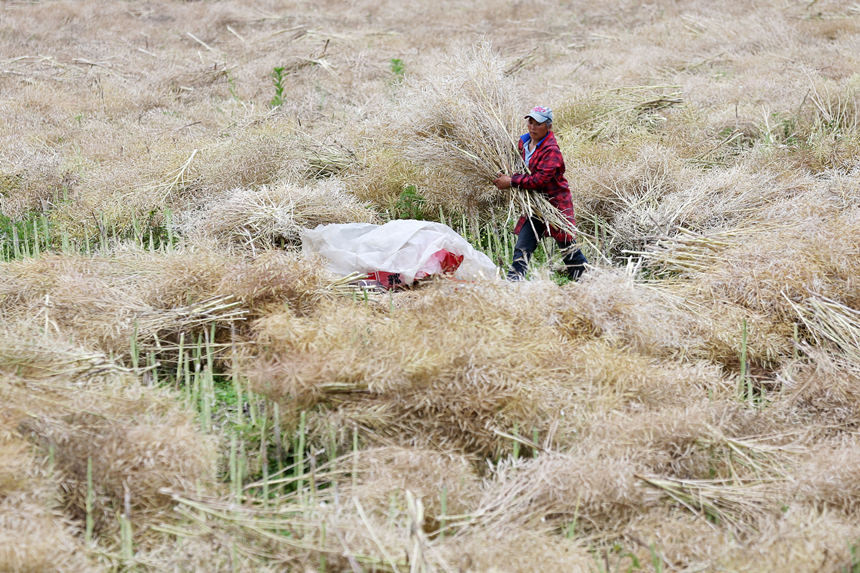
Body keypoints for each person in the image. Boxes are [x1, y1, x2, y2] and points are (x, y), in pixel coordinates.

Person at [493, 105, 588, 281]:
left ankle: (587, 282)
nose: (532, 127)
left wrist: (511, 181)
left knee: (568, 249)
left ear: (548, 127)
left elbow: (539, 180)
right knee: (523, 247)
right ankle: (513, 285)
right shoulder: (523, 143)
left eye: (538, 124)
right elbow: (518, 166)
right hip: (534, 205)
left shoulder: (552, 151)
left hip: (555, 204)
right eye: (530, 122)